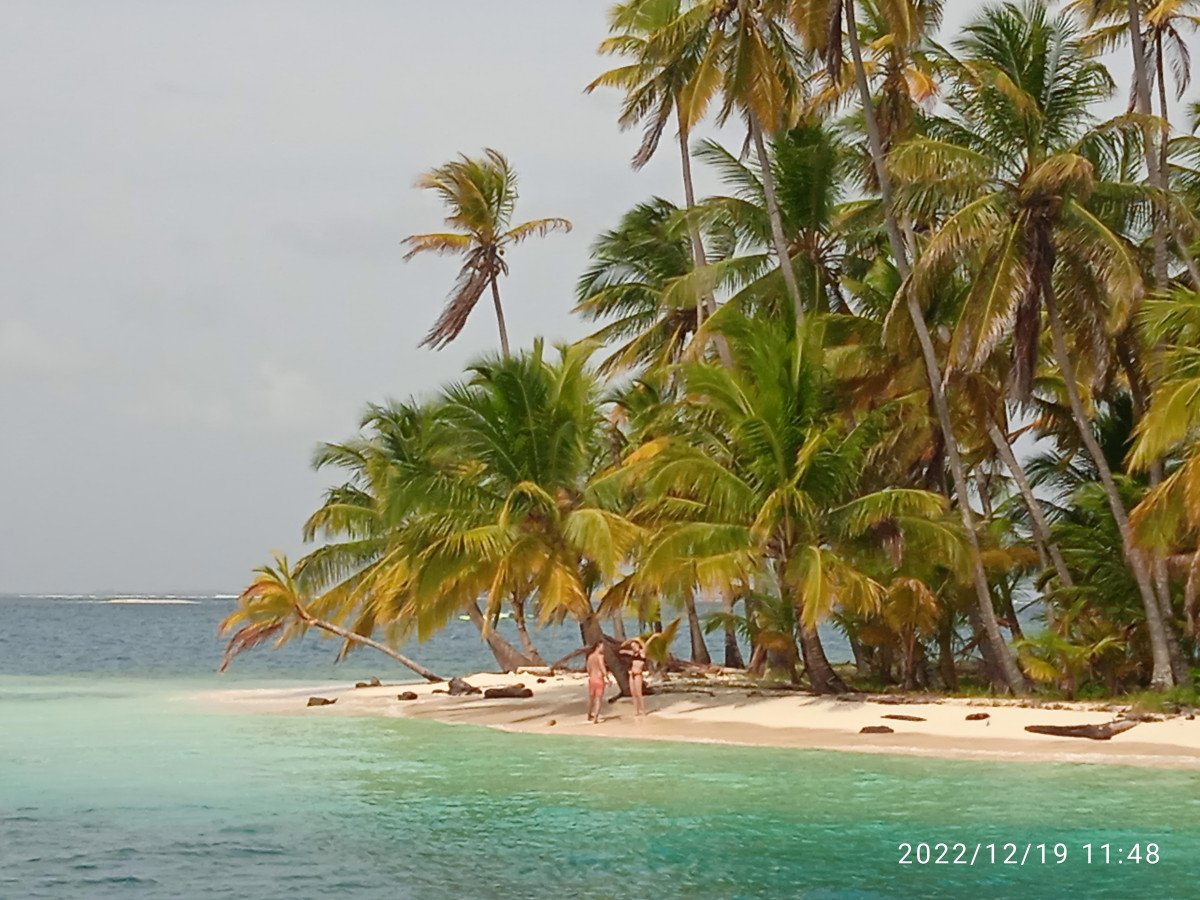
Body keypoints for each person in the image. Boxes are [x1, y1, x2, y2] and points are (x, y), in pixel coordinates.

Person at [620, 639, 648, 717]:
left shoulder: (642, 652)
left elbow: (645, 647)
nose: (634, 647)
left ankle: (643, 710)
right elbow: (623, 650)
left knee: (639, 693)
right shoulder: (633, 653)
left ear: (638, 645)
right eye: (632, 647)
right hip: (631, 674)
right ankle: (636, 710)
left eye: (635, 646)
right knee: (633, 693)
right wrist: (627, 643)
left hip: (638, 674)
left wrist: (637, 640)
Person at [585, 642, 609, 723]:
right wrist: (607, 678)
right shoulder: (600, 656)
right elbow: (602, 667)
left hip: (592, 679)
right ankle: (595, 718)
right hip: (599, 679)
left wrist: (591, 674)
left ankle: (589, 715)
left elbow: (588, 668)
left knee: (591, 698)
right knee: (598, 699)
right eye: (602, 647)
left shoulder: (590, 656)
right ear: (598, 647)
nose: (603, 648)